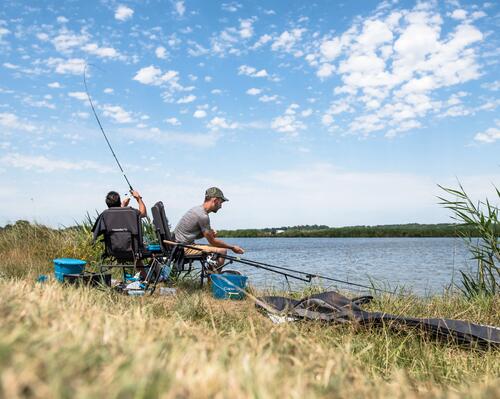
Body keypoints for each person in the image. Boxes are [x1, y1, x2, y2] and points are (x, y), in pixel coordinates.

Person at [174, 187, 244, 272]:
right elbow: (213, 242)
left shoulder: (197, 210)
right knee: (222, 251)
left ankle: (211, 276)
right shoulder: (203, 216)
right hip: (183, 248)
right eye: (221, 203)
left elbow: (192, 234)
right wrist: (232, 247)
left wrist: (208, 233)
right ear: (215, 200)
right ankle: (212, 282)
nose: (221, 206)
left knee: (217, 249)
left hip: (179, 245)